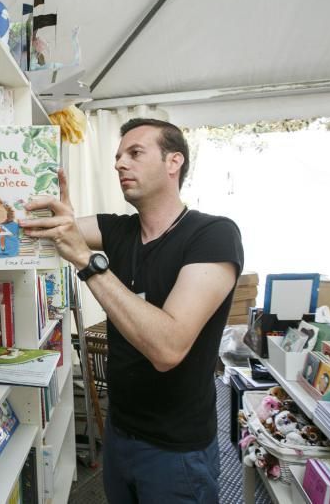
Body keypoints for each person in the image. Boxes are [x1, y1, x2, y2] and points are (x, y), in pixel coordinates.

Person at [21, 118, 244, 502]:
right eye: (118, 156)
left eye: (135, 153)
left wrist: (87, 262)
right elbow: (51, 229)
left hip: (177, 450)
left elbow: (168, 348)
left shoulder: (214, 234)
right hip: (120, 435)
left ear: (174, 162)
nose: (120, 163)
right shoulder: (120, 230)